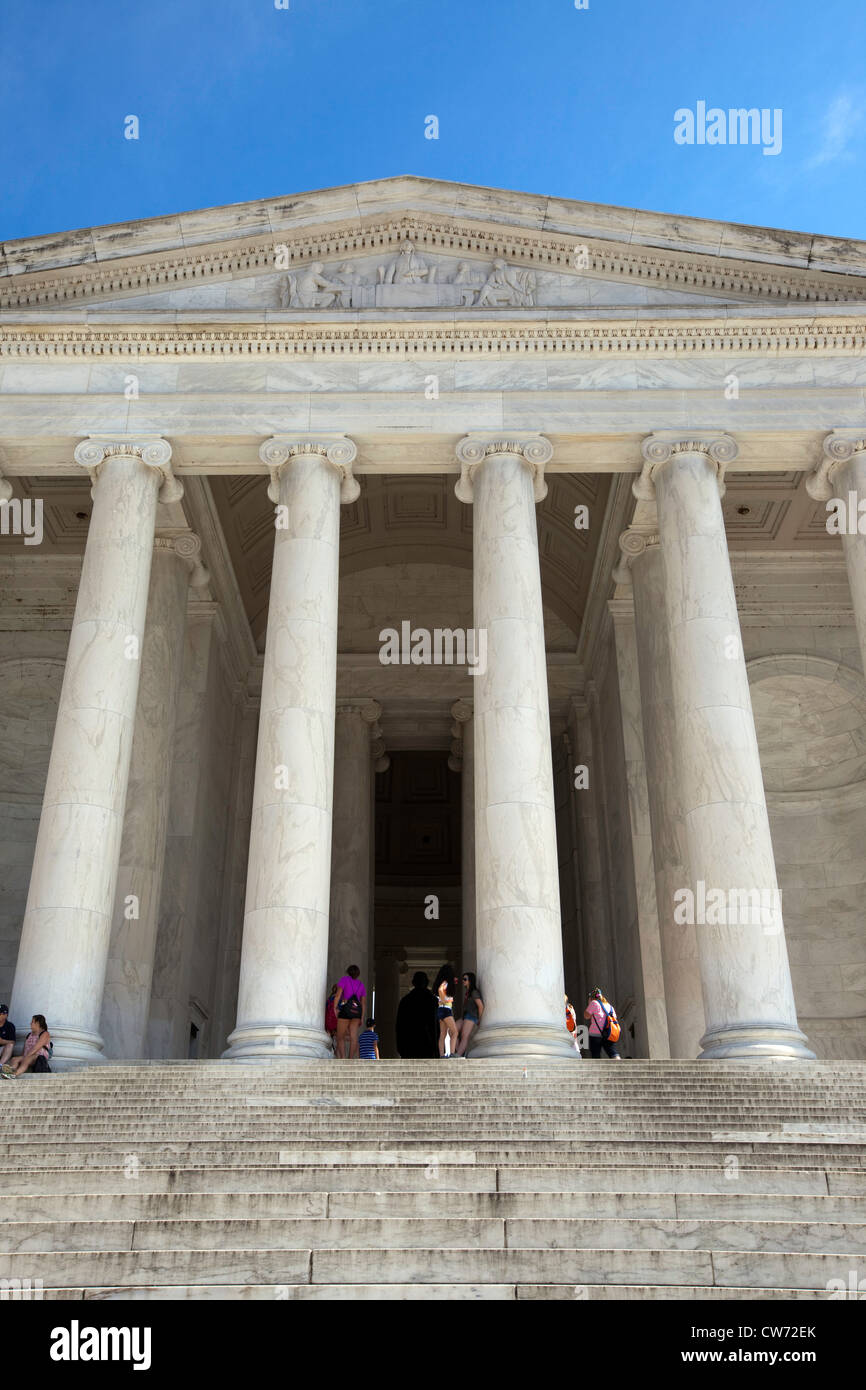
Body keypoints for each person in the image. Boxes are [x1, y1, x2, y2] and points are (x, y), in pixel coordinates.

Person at [395, 972, 438, 1059]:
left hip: (409, 1044)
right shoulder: (432, 1000)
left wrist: (400, 1046)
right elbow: (436, 1025)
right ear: (427, 983)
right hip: (428, 1044)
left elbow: (400, 1025)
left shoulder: (405, 1000)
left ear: (413, 983)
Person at [333, 965, 366, 1060]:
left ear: (348, 971)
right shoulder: (361, 985)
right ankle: (351, 1058)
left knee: (340, 1036)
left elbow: (338, 995)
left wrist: (335, 1008)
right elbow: (363, 1003)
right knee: (353, 1036)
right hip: (356, 1012)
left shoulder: (344, 980)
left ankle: (343, 1057)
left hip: (345, 1010)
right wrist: (362, 1017)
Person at [584, 988, 622, 1060]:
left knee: (596, 1054)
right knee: (612, 1052)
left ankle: (597, 1069)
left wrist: (589, 1003)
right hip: (608, 1032)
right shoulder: (610, 1006)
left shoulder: (594, 1003)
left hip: (595, 1033)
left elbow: (586, 1016)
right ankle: (620, 1065)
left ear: (592, 997)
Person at [432, 962, 458, 1058]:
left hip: (441, 1010)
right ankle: (451, 1053)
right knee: (455, 1032)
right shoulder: (445, 983)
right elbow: (440, 990)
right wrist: (446, 1000)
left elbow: (439, 991)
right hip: (446, 1010)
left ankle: (442, 1055)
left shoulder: (442, 982)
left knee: (443, 1034)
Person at [456, 972, 483, 1055]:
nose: (463, 981)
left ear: (470, 980)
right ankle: (459, 1052)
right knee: (452, 1031)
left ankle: (458, 1055)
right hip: (465, 1016)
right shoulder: (468, 992)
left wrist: (479, 1019)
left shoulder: (474, 992)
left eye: (465, 979)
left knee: (464, 1036)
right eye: (463, 979)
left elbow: (481, 1006)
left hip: (471, 1016)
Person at [324, 984, 339, 1051]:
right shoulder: (338, 998)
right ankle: (335, 1052)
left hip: (327, 1019)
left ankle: (329, 1050)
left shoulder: (329, 998)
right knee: (338, 1036)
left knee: (329, 1035)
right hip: (334, 1019)